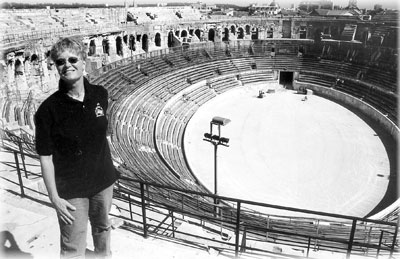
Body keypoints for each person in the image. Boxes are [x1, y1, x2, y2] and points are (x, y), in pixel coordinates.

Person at [34, 37, 119, 258]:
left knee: (102, 231)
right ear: (56, 67)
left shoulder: (100, 94)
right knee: (73, 247)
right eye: (60, 62)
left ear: (83, 61)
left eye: (73, 59)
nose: (67, 65)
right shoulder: (47, 111)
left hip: (102, 181)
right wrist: (54, 198)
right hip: (71, 190)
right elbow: (45, 157)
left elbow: (100, 134)